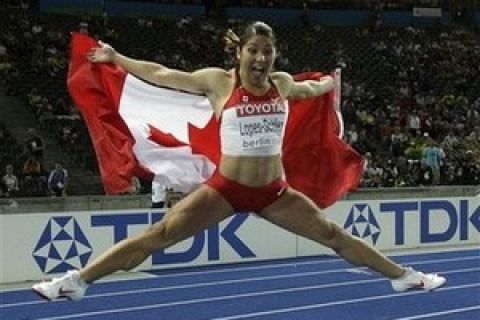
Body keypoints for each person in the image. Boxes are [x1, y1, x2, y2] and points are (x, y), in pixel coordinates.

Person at [32, 21, 445, 301]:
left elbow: (312, 89)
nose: (261, 58)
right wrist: (117, 58)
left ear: (275, 54)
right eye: (254, 50)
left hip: (275, 192)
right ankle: (77, 281)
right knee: (157, 237)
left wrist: (326, 84)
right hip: (225, 189)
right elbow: (161, 73)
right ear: (241, 52)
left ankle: (403, 276)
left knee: (334, 236)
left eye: (268, 51)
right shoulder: (219, 82)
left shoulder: (283, 84)